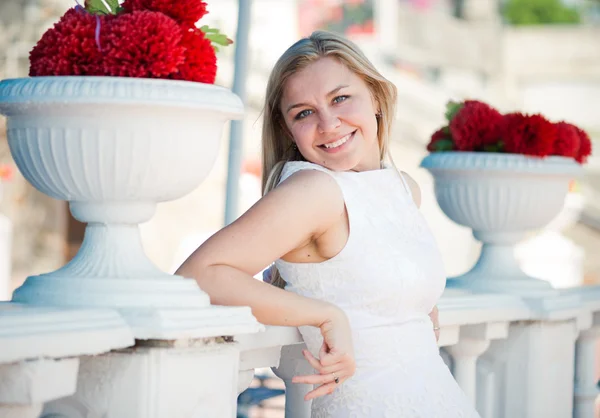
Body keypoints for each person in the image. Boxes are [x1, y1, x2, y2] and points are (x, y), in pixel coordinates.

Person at [176, 30, 480, 417]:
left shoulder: (404, 189)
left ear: (375, 96)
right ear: (288, 129)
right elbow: (197, 276)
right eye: (304, 112)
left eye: (340, 98)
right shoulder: (316, 191)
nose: (329, 123)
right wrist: (323, 314)